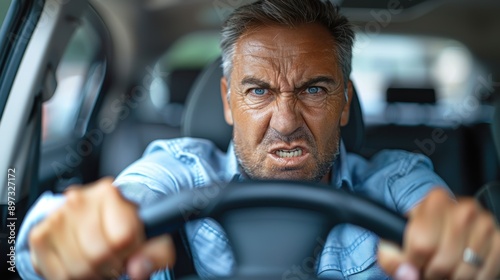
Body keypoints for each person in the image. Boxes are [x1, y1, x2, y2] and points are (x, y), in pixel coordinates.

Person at [16, 0, 500, 279]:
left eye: (314, 89)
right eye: (258, 90)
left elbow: (436, 219)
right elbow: (120, 201)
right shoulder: (179, 169)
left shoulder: (398, 180)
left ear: (345, 102)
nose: (285, 120)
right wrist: (66, 234)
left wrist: (462, 247)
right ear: (228, 102)